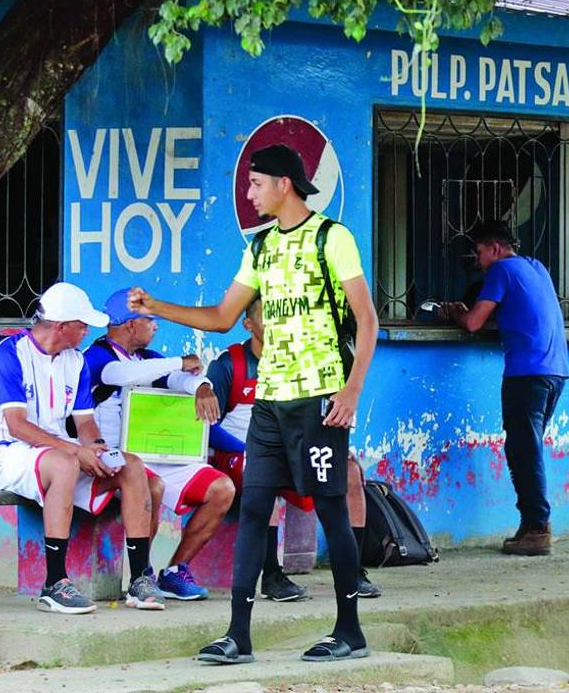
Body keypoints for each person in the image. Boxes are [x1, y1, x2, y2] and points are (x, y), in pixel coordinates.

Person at [128, 142, 379, 663]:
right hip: (270, 403)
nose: (249, 193)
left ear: (284, 183)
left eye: (255, 183)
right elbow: (223, 316)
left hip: (320, 400)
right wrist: (157, 307)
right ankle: (238, 635)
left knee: (331, 509)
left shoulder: (333, 239)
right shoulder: (261, 247)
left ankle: (350, 631)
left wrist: (351, 390)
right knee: (254, 510)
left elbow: (368, 318)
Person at [0, 282, 163, 613]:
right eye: (82, 325)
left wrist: (95, 449)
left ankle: (139, 580)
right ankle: (55, 583)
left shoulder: (75, 360)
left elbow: (85, 423)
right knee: (65, 463)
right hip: (9, 452)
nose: (87, 332)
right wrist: (75, 453)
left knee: (130, 465)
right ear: (62, 326)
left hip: (58, 451)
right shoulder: (9, 354)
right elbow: (16, 425)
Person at [206, 296, 380, 601]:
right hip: (239, 456)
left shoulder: (302, 363)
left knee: (350, 472)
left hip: (297, 450)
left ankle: (353, 570)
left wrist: (335, 447)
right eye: (265, 318)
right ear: (248, 325)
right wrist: (249, 448)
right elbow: (207, 426)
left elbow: (318, 413)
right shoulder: (228, 364)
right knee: (265, 474)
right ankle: (272, 576)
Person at [83, 288, 235, 600]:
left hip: (158, 452)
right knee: (151, 487)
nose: (156, 326)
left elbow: (179, 379)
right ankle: (143, 575)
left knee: (222, 489)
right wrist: (178, 362)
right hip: (117, 459)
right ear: (129, 325)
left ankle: (176, 570)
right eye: (150, 320)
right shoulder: (97, 356)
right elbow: (119, 374)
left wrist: (202, 385)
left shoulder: (150, 359)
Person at [442, 220, 569, 556]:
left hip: (526, 373)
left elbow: (473, 323)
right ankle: (533, 524)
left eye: (480, 251)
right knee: (526, 450)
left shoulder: (500, 271)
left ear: (495, 248)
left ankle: (537, 527)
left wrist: (455, 313)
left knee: (523, 452)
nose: (479, 260)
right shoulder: (536, 267)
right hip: (555, 371)